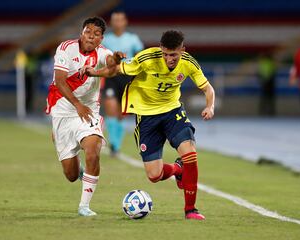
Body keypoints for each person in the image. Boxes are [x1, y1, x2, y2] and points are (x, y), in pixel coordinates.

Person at [82, 30, 215, 220]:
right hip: (146, 117)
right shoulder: (147, 58)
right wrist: (94, 72)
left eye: (174, 55)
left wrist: (210, 106)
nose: (170, 59)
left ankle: (190, 209)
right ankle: (178, 169)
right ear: (161, 49)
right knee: (154, 175)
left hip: (172, 112)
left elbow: (207, 88)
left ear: (182, 50)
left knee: (190, 153)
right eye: (166, 54)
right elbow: (116, 70)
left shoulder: (189, 63)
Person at [45, 17, 124, 216]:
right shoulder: (66, 48)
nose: (91, 36)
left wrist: (116, 59)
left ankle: (84, 206)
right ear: (82, 32)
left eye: (96, 34)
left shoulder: (103, 52)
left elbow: (111, 66)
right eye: (88, 31)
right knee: (71, 175)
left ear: (101, 38)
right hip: (63, 111)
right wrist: (77, 105)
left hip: (88, 111)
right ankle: (81, 172)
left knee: (93, 150)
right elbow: (61, 82)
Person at [102, 11, 144, 156]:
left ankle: (116, 144)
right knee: (110, 107)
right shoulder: (105, 40)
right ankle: (113, 143)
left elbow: (140, 58)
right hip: (111, 76)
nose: (118, 23)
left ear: (125, 22)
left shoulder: (133, 39)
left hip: (127, 77)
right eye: (115, 20)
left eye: (120, 20)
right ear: (111, 23)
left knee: (121, 113)